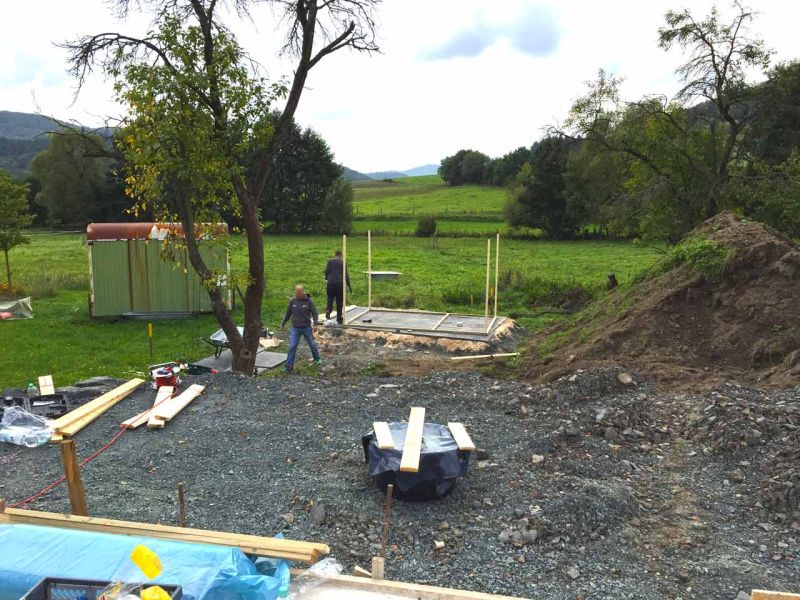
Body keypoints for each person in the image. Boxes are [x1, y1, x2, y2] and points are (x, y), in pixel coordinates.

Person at [280, 285, 321, 372]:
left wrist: (315, 324)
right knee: (292, 346)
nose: (297, 294)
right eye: (296, 292)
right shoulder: (292, 301)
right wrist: (283, 323)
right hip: (295, 328)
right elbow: (288, 314)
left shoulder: (309, 302)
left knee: (312, 344)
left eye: (299, 292)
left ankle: (317, 358)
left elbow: (315, 313)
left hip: (306, 327)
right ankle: (289, 367)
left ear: (302, 292)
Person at [324, 250, 352, 324]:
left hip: (331, 283)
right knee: (339, 302)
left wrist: (327, 278)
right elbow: (346, 275)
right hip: (340, 284)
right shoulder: (343, 263)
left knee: (330, 298)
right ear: (341, 255)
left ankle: (328, 310)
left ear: (335, 255)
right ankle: (339, 318)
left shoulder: (330, 261)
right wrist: (349, 286)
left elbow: (326, 271)